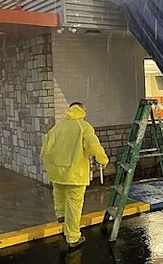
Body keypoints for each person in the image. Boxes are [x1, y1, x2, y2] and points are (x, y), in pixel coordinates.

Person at [41, 102, 109, 250]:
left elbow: (45, 151)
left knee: (59, 193)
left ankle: (61, 215)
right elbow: (93, 146)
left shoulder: (57, 128)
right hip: (75, 174)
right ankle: (73, 237)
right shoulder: (83, 127)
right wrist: (103, 160)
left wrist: (50, 168)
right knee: (74, 204)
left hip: (57, 171)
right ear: (82, 111)